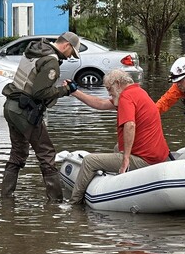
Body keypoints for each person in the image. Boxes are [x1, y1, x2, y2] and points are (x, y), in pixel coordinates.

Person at [0, 31, 81, 202]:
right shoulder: (51, 60)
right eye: (71, 52)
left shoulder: (36, 50)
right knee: (46, 153)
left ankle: (6, 199)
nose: (69, 57)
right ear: (66, 45)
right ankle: (56, 202)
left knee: (17, 153)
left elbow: (31, 84)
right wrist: (66, 90)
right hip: (24, 112)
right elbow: (40, 92)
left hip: (11, 107)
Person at [69, 69, 170, 204]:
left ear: (117, 83)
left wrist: (126, 159)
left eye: (109, 89)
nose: (108, 93)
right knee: (118, 147)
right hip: (158, 156)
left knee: (89, 161)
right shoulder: (137, 92)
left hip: (146, 160)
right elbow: (100, 103)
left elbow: (130, 125)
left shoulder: (125, 97)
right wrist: (75, 92)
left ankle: (73, 204)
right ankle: (123, 181)